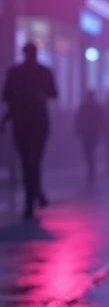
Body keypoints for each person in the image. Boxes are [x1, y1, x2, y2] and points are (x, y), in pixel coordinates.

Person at [1, 42, 58, 219]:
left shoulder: (14, 73)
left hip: (21, 122)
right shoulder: (44, 72)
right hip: (39, 121)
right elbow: (54, 93)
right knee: (35, 159)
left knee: (26, 160)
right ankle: (35, 193)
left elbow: (8, 100)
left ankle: (32, 197)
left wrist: (4, 120)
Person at [75, 90, 103, 185]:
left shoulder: (84, 107)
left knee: (88, 152)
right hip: (92, 134)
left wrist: (78, 131)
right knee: (91, 152)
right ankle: (91, 171)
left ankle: (91, 171)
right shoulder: (96, 107)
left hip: (87, 134)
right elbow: (101, 121)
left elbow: (78, 119)